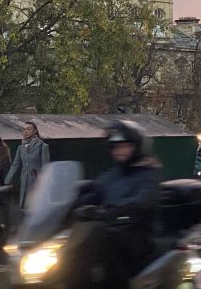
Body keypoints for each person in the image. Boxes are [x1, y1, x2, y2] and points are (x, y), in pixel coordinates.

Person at [63, 120, 162, 289]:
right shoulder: (112, 175)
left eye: (125, 146)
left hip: (136, 237)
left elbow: (143, 200)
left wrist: (110, 211)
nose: (120, 151)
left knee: (97, 233)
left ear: (137, 147)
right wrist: (71, 204)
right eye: (116, 147)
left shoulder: (148, 174)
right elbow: (94, 192)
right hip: (111, 231)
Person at [5, 121, 50, 208]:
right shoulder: (21, 148)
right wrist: (8, 180)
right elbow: (15, 164)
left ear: (35, 131)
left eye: (28, 129)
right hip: (24, 180)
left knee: (35, 206)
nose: (25, 131)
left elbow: (46, 167)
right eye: (24, 129)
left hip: (36, 181)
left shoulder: (43, 146)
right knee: (23, 205)